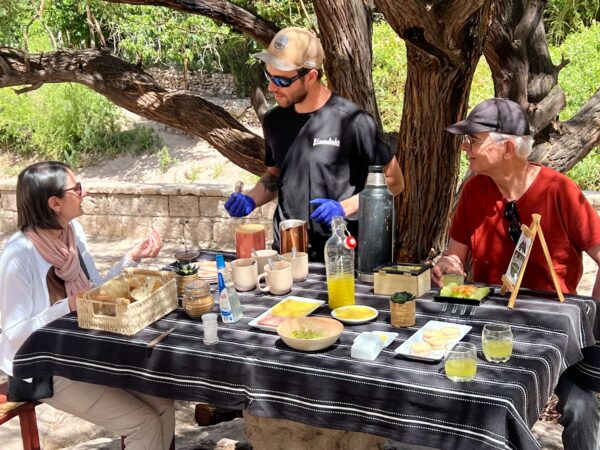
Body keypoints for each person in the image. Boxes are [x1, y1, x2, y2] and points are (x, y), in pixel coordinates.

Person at [432, 98, 600, 450]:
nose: (464, 148)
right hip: (489, 322)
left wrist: (590, 319)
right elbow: (455, 256)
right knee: (454, 385)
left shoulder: (559, 191)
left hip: (554, 329)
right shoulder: (475, 190)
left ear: (506, 147)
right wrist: (449, 267)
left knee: (581, 406)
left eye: (473, 140)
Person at [0, 161, 175, 450]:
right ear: (55, 202)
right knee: (142, 423)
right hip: (41, 366)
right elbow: (15, 334)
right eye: (77, 188)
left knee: (162, 402)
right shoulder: (18, 256)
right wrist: (68, 305)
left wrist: (131, 258)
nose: (85, 192)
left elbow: (94, 291)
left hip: (80, 350)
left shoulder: (72, 233)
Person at [224, 27, 404, 261]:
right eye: (269, 76)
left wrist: (344, 208)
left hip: (342, 254)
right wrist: (250, 198)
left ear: (310, 76)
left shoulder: (354, 122)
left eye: (281, 80)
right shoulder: (273, 121)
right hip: (288, 253)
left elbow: (395, 182)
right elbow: (274, 175)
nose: (271, 87)